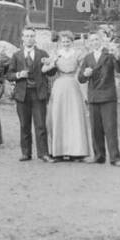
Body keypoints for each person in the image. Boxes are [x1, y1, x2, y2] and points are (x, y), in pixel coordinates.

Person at [78, 32, 120, 167]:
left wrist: (117, 57)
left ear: (102, 41)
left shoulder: (110, 54)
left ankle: (115, 158)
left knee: (110, 128)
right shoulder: (88, 58)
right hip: (93, 97)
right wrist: (85, 74)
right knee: (96, 129)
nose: (94, 42)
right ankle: (99, 156)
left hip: (108, 96)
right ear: (89, 43)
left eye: (97, 40)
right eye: (92, 40)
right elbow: (80, 78)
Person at [9, 27, 53, 162]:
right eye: (27, 36)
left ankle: (43, 153)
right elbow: (9, 75)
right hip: (22, 94)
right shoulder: (16, 55)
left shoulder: (42, 54)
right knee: (24, 125)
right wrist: (18, 74)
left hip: (38, 93)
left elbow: (51, 73)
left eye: (32, 36)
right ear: (22, 38)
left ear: (35, 38)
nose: (29, 38)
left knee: (40, 124)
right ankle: (26, 153)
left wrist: (51, 64)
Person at [47, 31, 91, 161]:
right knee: (58, 115)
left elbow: (84, 69)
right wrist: (51, 63)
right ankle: (58, 151)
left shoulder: (78, 54)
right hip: (59, 86)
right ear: (60, 42)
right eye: (63, 41)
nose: (66, 43)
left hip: (73, 85)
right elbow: (47, 69)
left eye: (68, 41)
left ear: (72, 42)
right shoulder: (56, 54)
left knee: (74, 116)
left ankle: (76, 151)